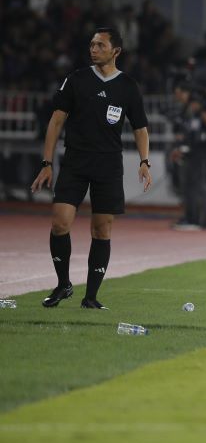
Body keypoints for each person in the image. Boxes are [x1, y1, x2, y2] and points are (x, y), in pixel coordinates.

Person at [30, 28, 152, 309]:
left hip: (108, 165)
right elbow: (56, 122)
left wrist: (144, 161)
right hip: (75, 161)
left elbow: (140, 128)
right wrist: (47, 163)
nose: (93, 49)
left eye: (100, 45)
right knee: (60, 222)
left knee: (102, 230)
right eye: (92, 44)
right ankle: (63, 285)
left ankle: (91, 297)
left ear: (116, 51)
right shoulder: (76, 80)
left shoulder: (128, 86)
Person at [169, 81, 206, 230]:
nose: (178, 97)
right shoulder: (186, 109)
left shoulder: (199, 106)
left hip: (199, 149)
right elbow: (186, 130)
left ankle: (199, 219)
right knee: (189, 185)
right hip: (189, 149)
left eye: (179, 94)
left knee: (197, 184)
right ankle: (193, 217)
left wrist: (199, 111)